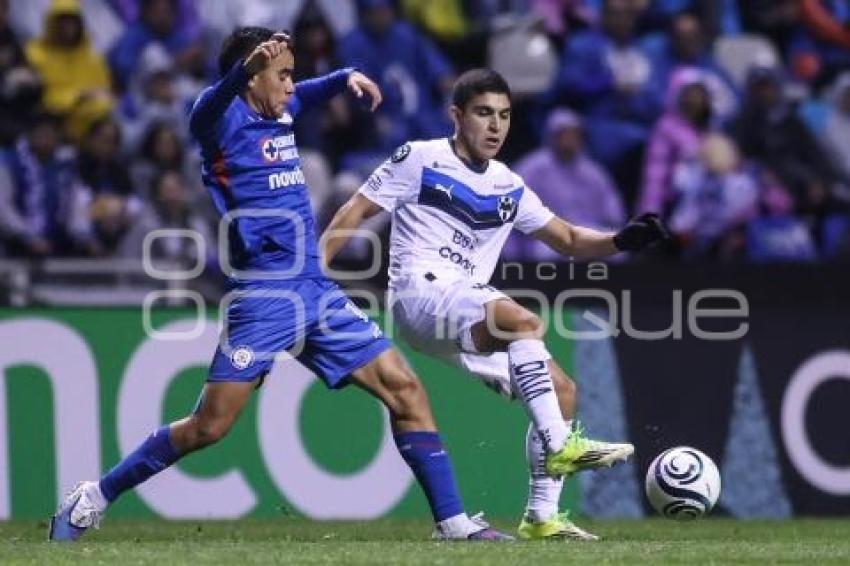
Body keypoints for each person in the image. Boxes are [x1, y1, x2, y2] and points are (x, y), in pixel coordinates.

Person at [49, 28, 510, 543]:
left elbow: (304, 92)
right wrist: (246, 70)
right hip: (263, 294)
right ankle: (94, 496)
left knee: (403, 387)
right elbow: (207, 105)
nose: (292, 86)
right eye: (283, 75)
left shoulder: (280, 110)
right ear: (250, 76)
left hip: (314, 286)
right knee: (209, 427)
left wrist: (341, 78)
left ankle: (453, 524)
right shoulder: (220, 120)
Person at [321, 69, 668, 540]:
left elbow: (566, 239)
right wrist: (314, 269)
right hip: (420, 294)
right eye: (484, 113)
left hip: (457, 309)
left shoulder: (508, 184)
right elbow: (357, 210)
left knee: (561, 390)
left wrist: (620, 240)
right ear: (457, 116)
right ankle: (561, 444)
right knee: (522, 321)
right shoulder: (421, 157)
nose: (495, 126)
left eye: (504, 116)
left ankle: (542, 517)